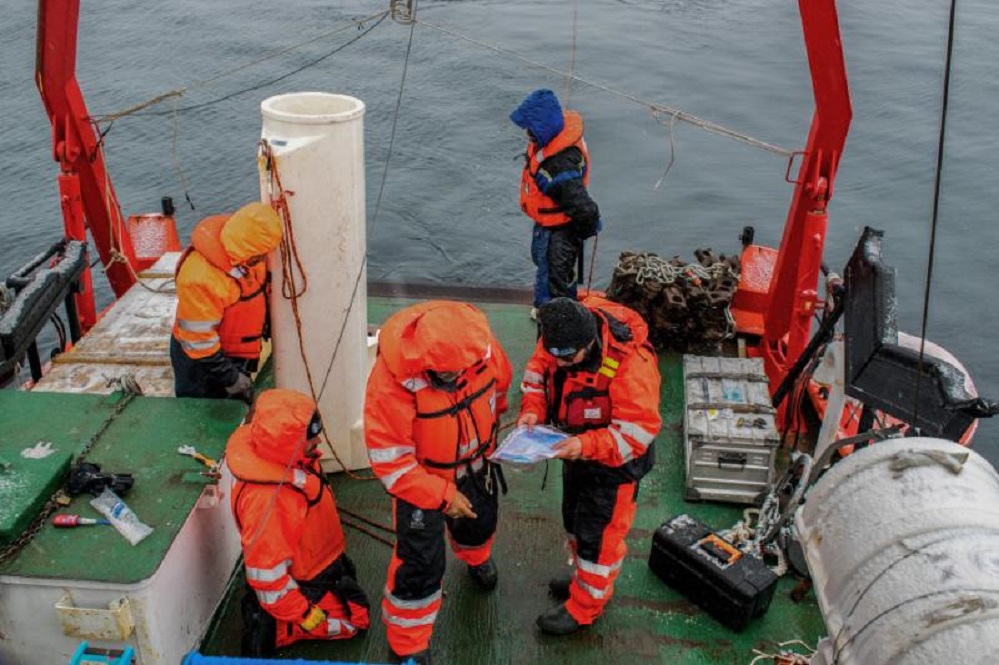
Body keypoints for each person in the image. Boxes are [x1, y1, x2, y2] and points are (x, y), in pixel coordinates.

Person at [364, 301, 513, 664]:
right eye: (446, 375)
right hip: (422, 482)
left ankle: (476, 558)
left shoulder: (483, 350)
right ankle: (407, 644)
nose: (456, 379)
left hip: (476, 465)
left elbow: (500, 391)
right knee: (420, 565)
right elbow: (392, 464)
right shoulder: (391, 384)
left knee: (480, 524)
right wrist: (442, 496)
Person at [517, 295, 661, 635]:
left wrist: (584, 445)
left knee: (600, 539)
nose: (561, 363)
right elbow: (536, 375)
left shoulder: (631, 364)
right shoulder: (556, 340)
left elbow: (634, 437)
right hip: (576, 452)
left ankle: (585, 607)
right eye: (555, 355)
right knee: (575, 522)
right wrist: (533, 411)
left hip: (615, 467)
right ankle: (582, 579)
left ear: (590, 342)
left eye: (568, 357)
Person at [227, 388, 370, 657]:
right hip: (301, 585)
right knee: (354, 622)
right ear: (287, 443)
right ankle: (281, 627)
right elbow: (267, 576)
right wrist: (305, 613)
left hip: (315, 563)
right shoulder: (271, 502)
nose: (317, 441)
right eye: (310, 437)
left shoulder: (280, 458)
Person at [170, 202, 283, 402]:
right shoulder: (199, 278)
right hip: (202, 365)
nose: (265, 258)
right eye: (261, 255)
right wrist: (230, 378)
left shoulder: (250, 252)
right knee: (202, 417)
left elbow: (258, 289)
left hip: (235, 353)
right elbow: (198, 342)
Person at [510, 88, 602, 316]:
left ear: (543, 128)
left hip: (561, 230)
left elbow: (582, 206)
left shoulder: (559, 165)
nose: (527, 134)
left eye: (531, 129)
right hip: (550, 225)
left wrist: (587, 227)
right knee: (547, 269)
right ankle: (549, 310)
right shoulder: (550, 145)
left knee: (555, 278)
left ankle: (556, 320)